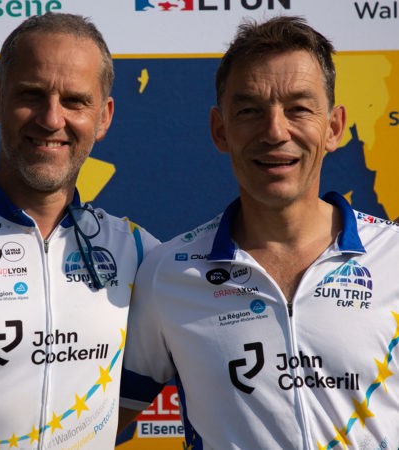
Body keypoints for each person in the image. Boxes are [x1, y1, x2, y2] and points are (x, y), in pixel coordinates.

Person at [118, 16, 399, 449]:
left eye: (298, 108)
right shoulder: (168, 274)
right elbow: (91, 423)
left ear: (334, 128)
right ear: (220, 130)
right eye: (249, 111)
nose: (274, 131)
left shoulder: (393, 255)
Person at [0, 12, 158, 450]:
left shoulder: (141, 255)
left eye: (75, 101)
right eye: (32, 94)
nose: (51, 119)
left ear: (103, 117)